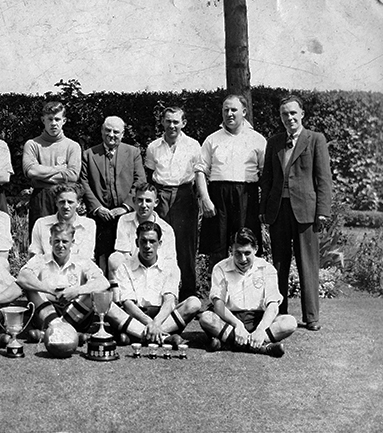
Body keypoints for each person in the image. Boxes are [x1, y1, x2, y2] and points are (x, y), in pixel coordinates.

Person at [260, 95, 332, 331]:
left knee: (307, 264)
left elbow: (323, 178)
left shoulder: (315, 140)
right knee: (279, 264)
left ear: (302, 114)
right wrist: (264, 209)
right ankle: (279, 313)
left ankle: (311, 317)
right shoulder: (274, 142)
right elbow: (267, 179)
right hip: (278, 211)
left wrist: (323, 210)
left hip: (306, 212)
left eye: (293, 113)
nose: (289, 118)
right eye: (284, 114)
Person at [199, 228, 297, 357]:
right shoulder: (220, 268)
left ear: (255, 249)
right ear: (231, 251)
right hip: (229, 320)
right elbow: (218, 305)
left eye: (247, 253)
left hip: (257, 319)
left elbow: (273, 305)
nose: (243, 259)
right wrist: (237, 325)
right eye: (237, 253)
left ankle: (230, 343)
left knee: (289, 323)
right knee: (206, 318)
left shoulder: (267, 268)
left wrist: (261, 329)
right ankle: (262, 348)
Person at [145, 107, 208, 300]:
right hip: (161, 194)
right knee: (160, 242)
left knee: (186, 247)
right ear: (162, 122)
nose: (172, 125)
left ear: (183, 123)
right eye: (168, 121)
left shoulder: (193, 145)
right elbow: (148, 176)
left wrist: (199, 198)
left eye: (176, 122)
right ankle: (159, 294)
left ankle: (189, 295)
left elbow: (199, 174)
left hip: (184, 195)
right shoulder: (153, 147)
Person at [197, 94, 266, 271]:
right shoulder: (212, 139)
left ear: (244, 111)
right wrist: (205, 199)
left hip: (246, 196)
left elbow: (266, 173)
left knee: (247, 245)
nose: (229, 114)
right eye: (226, 110)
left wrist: (263, 205)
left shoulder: (257, 139)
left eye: (234, 110)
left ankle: (248, 294)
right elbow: (200, 170)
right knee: (217, 248)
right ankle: (217, 296)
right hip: (217, 196)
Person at [106, 221, 201, 345]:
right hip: (136, 316)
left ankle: (139, 335)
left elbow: (169, 301)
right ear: (136, 243)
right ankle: (163, 338)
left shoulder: (170, 267)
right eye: (143, 241)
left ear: (159, 243)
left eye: (152, 241)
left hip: (163, 318)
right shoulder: (125, 266)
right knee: (107, 306)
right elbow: (128, 304)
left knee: (194, 303)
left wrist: (156, 323)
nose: (147, 246)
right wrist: (150, 323)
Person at [17, 222, 110, 338]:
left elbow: (103, 282)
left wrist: (76, 291)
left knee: (93, 291)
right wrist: (49, 290)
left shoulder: (82, 261)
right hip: (47, 313)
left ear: (72, 242)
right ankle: (63, 330)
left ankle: (54, 331)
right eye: (56, 241)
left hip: (75, 314)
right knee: (30, 288)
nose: (60, 245)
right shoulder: (40, 259)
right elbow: (22, 277)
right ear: (50, 241)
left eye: (65, 241)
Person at [80, 116, 145, 269]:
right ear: (102, 131)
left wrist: (125, 207)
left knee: (125, 254)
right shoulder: (89, 154)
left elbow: (140, 180)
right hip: (100, 216)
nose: (111, 135)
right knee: (100, 255)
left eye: (116, 132)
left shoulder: (133, 152)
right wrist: (97, 208)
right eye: (108, 130)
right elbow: (84, 182)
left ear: (122, 134)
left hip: (126, 215)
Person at [107, 183, 178, 298]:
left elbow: (170, 261)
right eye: (140, 200)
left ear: (156, 203)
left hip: (156, 273)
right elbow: (123, 254)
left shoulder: (166, 229)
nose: (144, 205)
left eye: (148, 201)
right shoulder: (125, 220)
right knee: (115, 258)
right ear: (134, 201)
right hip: (132, 270)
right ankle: (118, 301)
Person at [22, 101, 82, 236]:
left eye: (57, 119)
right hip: (41, 198)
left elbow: (73, 175)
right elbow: (31, 171)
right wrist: (60, 169)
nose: (53, 123)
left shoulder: (73, 146)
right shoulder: (32, 144)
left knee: (65, 238)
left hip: (64, 197)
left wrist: (42, 173)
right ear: (43, 120)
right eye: (50, 119)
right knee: (40, 237)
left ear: (64, 121)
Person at [29, 183, 96, 261]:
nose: (66, 206)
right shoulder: (42, 224)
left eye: (70, 202)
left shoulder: (88, 225)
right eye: (62, 202)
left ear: (78, 203)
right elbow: (35, 255)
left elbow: (86, 258)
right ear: (56, 202)